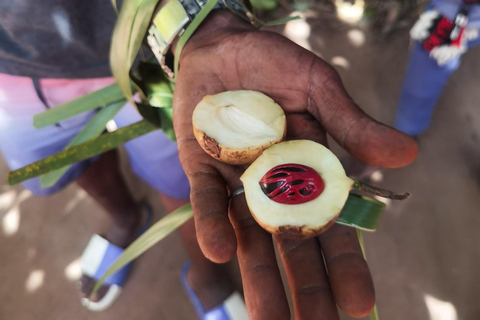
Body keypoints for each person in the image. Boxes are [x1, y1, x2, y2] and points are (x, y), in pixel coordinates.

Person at [0, 2, 418, 320]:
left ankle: (203, 271)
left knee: (179, 179)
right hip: (10, 75)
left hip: (138, 62)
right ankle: (125, 216)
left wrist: (202, 21)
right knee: (60, 164)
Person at [394, 0, 480, 137]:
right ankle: (407, 131)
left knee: (423, 81)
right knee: (422, 82)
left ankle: (408, 129)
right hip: (449, 18)